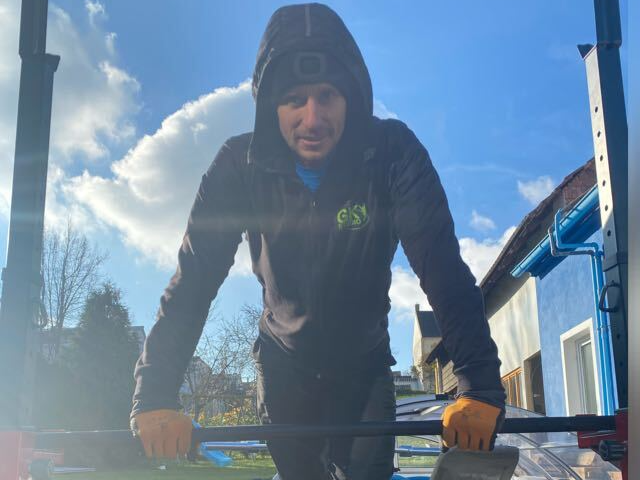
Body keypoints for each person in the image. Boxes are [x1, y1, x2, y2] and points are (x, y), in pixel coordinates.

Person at [130, 3, 506, 479]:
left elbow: (443, 268)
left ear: (351, 97)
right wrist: (156, 394)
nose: (313, 118)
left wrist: (479, 386)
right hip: (284, 367)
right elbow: (193, 280)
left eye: (327, 96)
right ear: (271, 106)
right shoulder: (238, 166)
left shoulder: (392, 153)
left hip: (364, 365)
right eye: (295, 100)